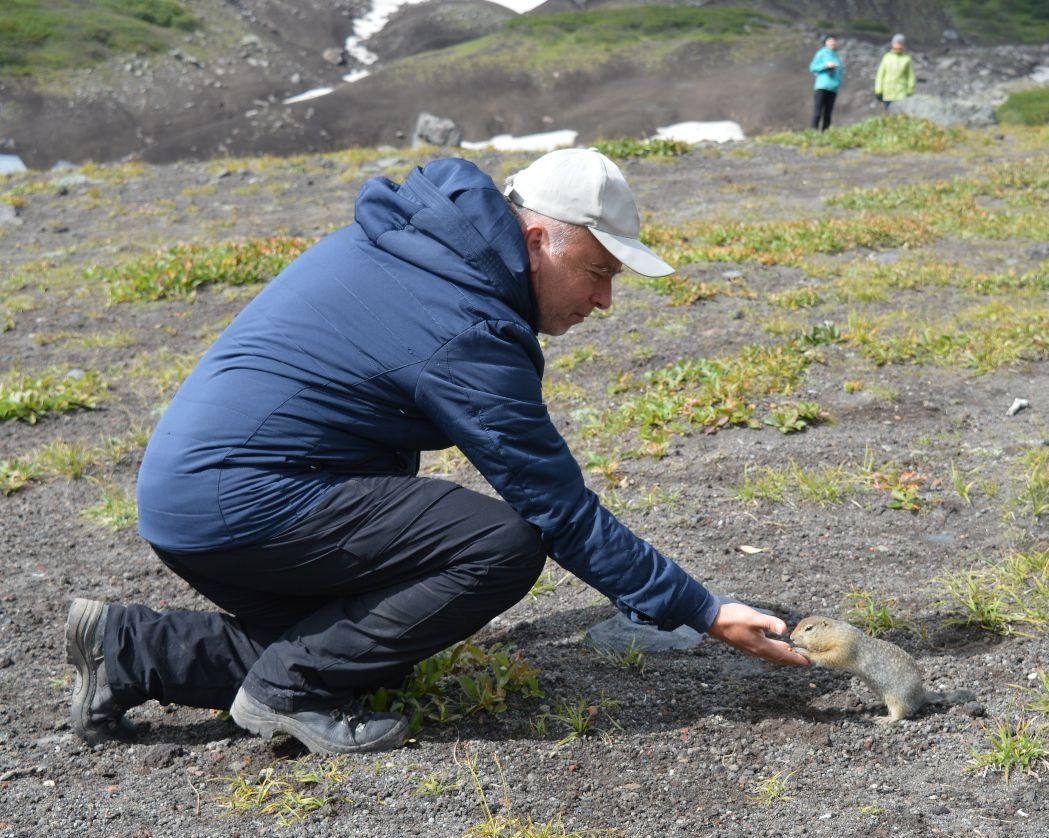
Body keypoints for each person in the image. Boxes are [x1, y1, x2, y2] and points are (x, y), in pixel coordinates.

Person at [66, 148, 808, 755]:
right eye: (600, 270)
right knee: (501, 545)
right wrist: (704, 610)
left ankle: (128, 649)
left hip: (192, 492)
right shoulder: (466, 323)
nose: (606, 300)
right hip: (240, 496)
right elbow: (557, 511)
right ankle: (289, 690)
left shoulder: (424, 244)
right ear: (539, 238)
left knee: (369, 633)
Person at [808, 34, 843, 131]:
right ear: (826, 43)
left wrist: (839, 82)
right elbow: (812, 67)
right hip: (822, 86)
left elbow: (840, 72)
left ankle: (825, 133)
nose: (833, 43)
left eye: (834, 41)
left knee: (828, 113)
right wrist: (825, 66)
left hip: (833, 88)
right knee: (818, 111)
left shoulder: (836, 57)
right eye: (830, 41)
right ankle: (812, 132)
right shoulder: (821, 53)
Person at [874, 33, 916, 111]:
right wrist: (878, 90)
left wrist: (910, 90)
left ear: (903, 45)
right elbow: (880, 75)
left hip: (901, 95)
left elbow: (911, 76)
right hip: (887, 94)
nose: (898, 46)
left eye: (900, 44)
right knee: (888, 116)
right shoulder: (887, 57)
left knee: (901, 117)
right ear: (892, 44)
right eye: (896, 43)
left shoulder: (906, 59)